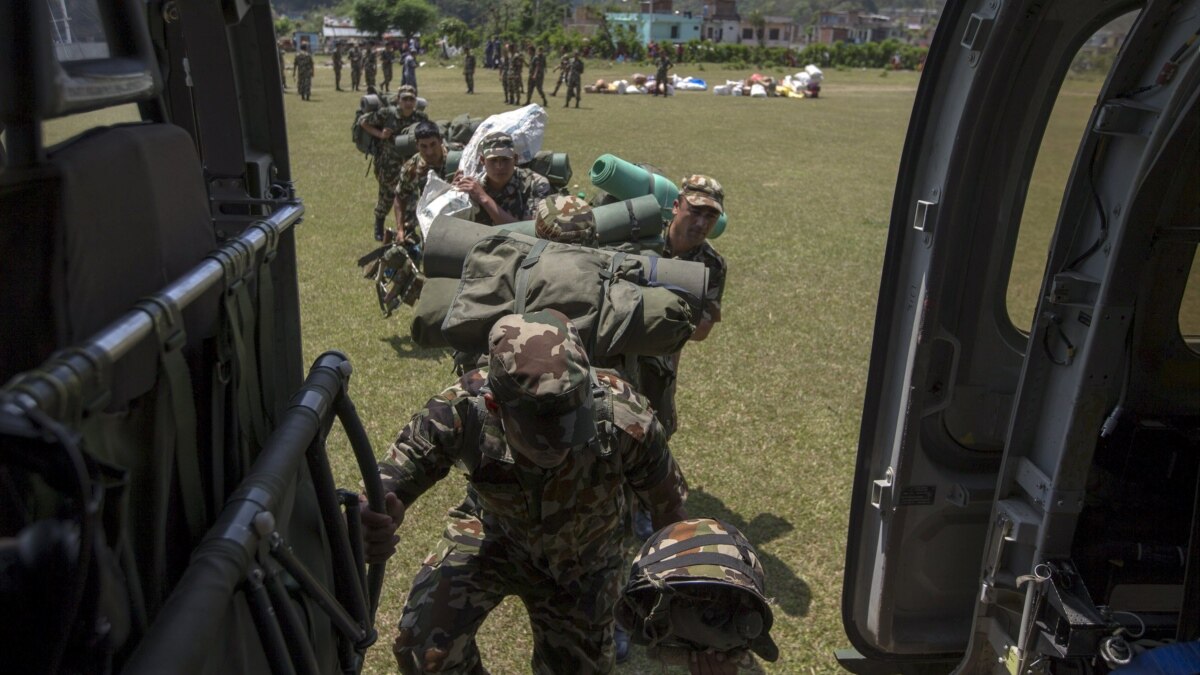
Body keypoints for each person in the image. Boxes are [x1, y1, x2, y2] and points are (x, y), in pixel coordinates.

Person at [360, 309, 691, 674]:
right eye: (540, 434)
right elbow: (390, 479)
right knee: (422, 651)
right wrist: (374, 512)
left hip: (585, 562)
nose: (556, 447)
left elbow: (669, 509)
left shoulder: (624, 417)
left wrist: (669, 596)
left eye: (569, 428)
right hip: (493, 537)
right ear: (494, 406)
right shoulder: (462, 410)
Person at [639, 174, 727, 438]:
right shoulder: (643, 236)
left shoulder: (711, 264)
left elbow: (702, 330)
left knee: (658, 428)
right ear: (677, 206)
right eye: (695, 211)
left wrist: (654, 303)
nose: (701, 223)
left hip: (663, 354)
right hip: (617, 342)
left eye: (710, 216)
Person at [360, 84, 429, 240]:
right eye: (405, 99)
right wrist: (380, 134)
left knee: (411, 197)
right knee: (387, 197)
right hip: (388, 165)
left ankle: (408, 230)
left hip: (411, 165)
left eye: (411, 99)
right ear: (399, 100)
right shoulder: (388, 114)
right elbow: (363, 121)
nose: (408, 103)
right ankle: (379, 223)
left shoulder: (420, 118)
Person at [452, 132, 551, 226]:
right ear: (482, 160)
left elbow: (529, 232)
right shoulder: (472, 187)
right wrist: (454, 195)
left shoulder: (535, 184)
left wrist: (484, 199)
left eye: (505, 159)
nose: (499, 166)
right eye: (493, 160)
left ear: (515, 159)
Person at [392, 120, 448, 251]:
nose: (429, 152)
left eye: (433, 144)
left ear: (440, 141)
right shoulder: (411, 167)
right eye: (424, 146)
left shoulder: (457, 159)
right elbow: (400, 197)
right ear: (417, 145)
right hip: (429, 222)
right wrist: (400, 229)